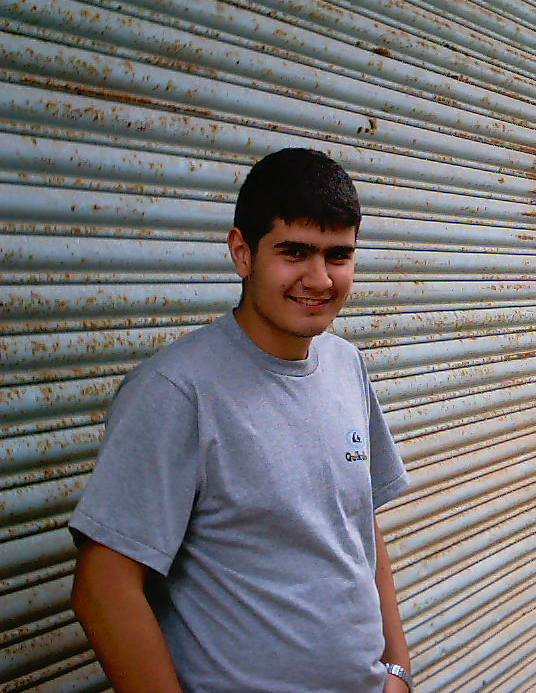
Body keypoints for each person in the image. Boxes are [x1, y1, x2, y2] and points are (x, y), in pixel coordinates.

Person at [70, 148, 414, 693]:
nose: (320, 279)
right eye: (295, 252)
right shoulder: (177, 391)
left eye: (338, 256)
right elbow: (103, 589)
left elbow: (359, 526)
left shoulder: (346, 365)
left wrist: (397, 671)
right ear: (242, 253)